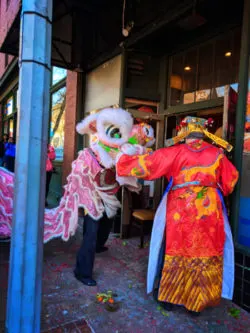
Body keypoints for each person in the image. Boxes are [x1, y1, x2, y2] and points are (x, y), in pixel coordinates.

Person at [116, 116, 238, 316]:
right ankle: (197, 302)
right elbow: (230, 181)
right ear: (204, 133)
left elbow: (148, 165)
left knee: (174, 250)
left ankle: (169, 298)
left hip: (181, 212)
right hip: (209, 214)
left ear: (184, 134)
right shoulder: (218, 154)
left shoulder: (174, 152)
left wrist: (123, 158)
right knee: (204, 252)